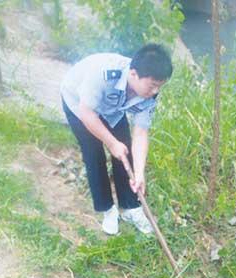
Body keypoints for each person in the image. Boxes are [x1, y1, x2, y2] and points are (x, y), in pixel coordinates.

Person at [60, 44, 172, 235]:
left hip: (112, 108)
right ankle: (107, 209)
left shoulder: (148, 95)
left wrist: (139, 173)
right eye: (152, 85)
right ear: (134, 74)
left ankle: (130, 207)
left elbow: (140, 132)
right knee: (93, 152)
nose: (154, 91)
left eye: (159, 86)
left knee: (124, 149)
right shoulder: (103, 74)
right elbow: (87, 113)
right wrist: (111, 143)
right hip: (79, 105)